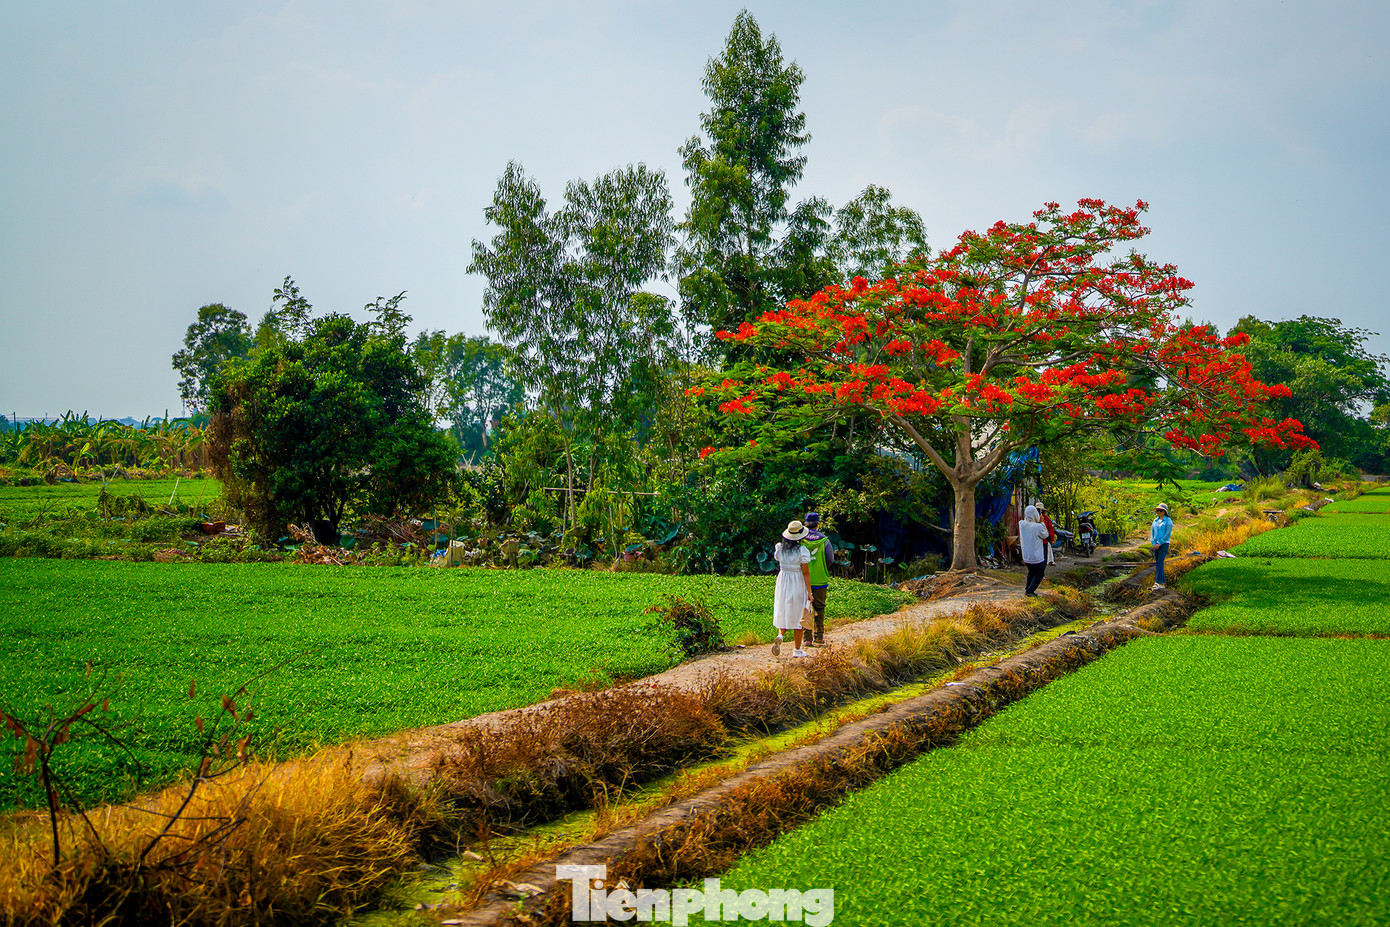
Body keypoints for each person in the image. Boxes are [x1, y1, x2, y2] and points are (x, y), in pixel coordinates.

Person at [771, 520, 813, 657]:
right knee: (798, 615)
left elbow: (778, 560)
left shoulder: (779, 548)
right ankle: (797, 649)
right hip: (797, 582)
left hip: (783, 581)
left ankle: (780, 635)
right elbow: (805, 573)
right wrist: (810, 592)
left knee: (784, 610)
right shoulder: (802, 551)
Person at [801, 512, 835, 647]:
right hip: (820, 579)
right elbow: (830, 559)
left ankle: (807, 638)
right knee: (819, 608)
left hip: (803, 580)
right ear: (818, 524)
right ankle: (819, 637)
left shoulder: (800, 539)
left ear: (805, 524)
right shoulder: (824, 540)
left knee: (806, 608)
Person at [1019, 505, 1051, 597]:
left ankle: (1027, 589)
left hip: (1026, 556)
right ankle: (1030, 590)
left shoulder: (1021, 524)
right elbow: (1045, 535)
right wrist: (1042, 522)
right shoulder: (1037, 527)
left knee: (1031, 572)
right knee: (1039, 574)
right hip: (1036, 556)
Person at [1150, 503, 1174, 590]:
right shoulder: (1155, 521)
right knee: (1157, 562)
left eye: (1161, 511)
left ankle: (1158, 582)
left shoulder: (1168, 521)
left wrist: (1159, 543)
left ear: (1164, 512)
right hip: (1155, 543)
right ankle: (1162, 582)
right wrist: (1154, 543)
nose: (1159, 512)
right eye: (1158, 510)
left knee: (1160, 561)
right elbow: (1152, 532)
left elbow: (1167, 534)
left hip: (1164, 543)